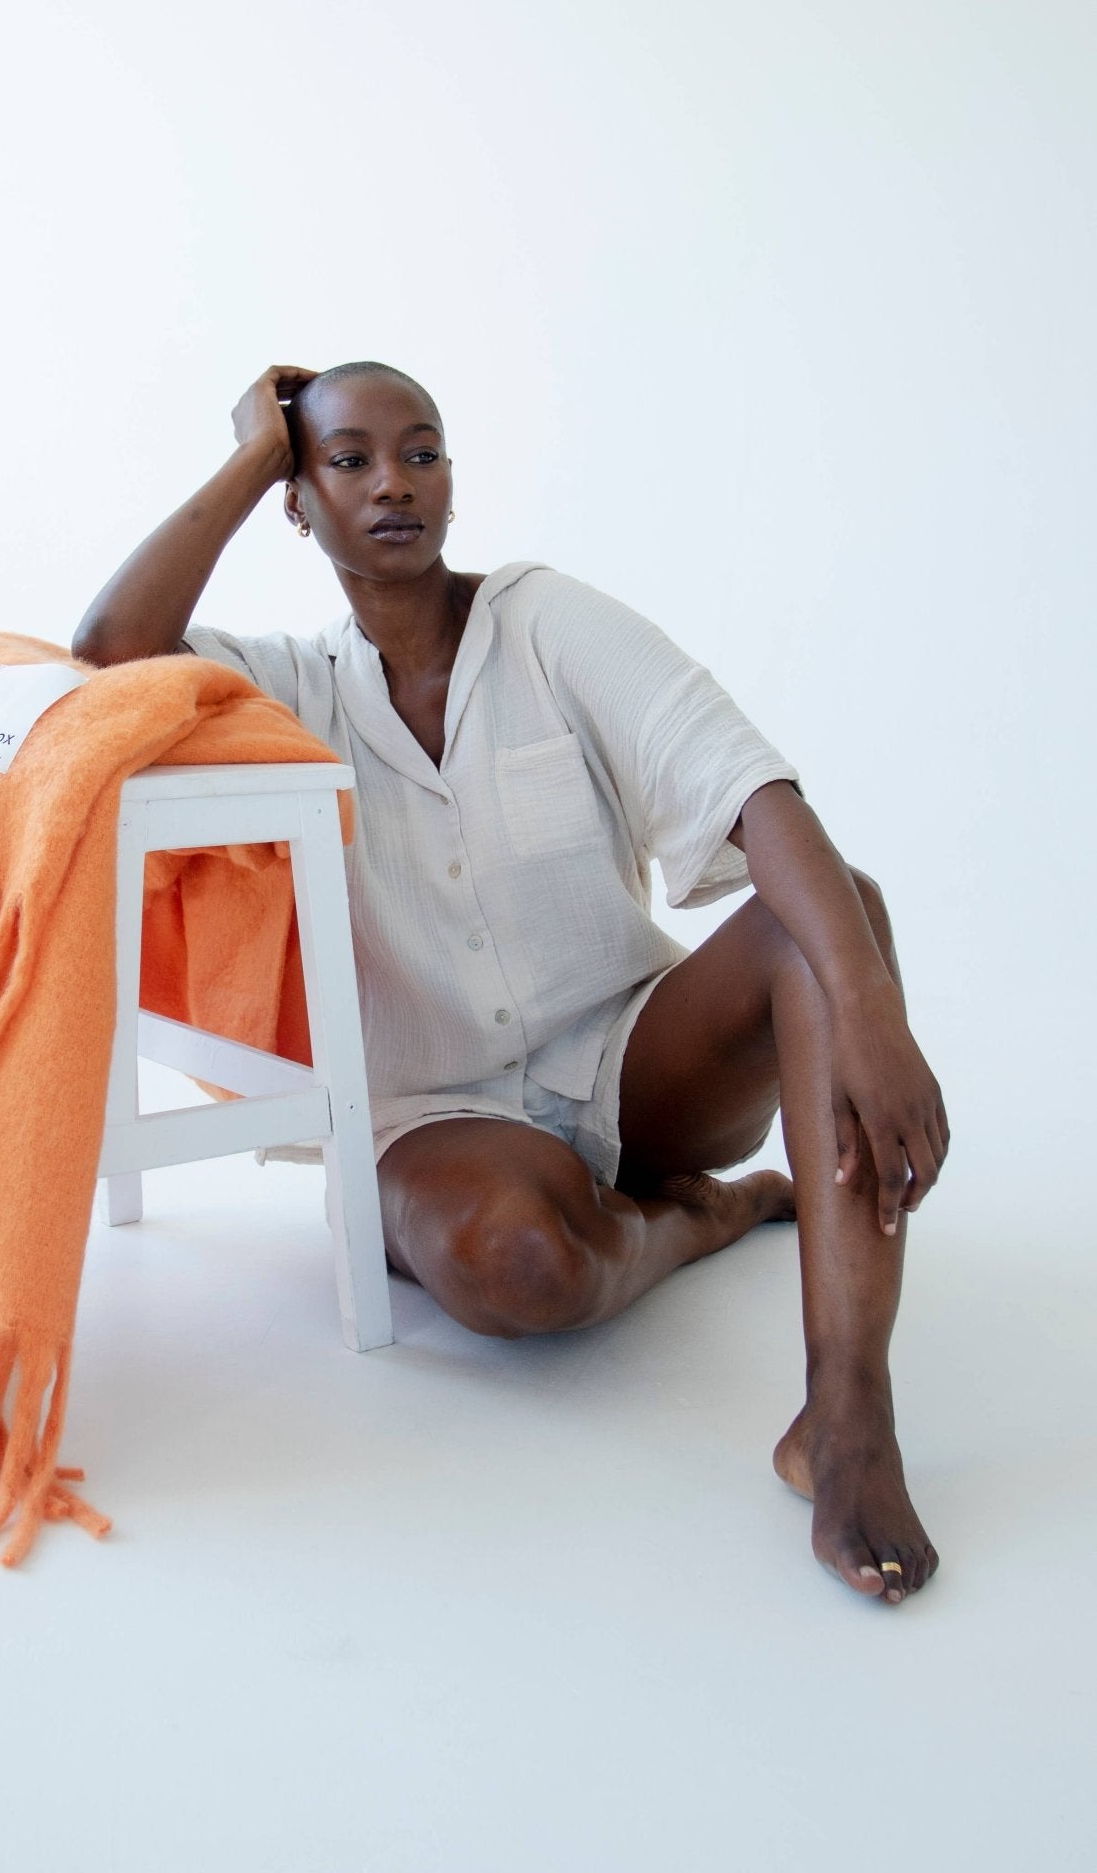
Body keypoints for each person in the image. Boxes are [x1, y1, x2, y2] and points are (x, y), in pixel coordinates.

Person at [73, 360, 949, 1605]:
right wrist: (248, 454)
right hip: (430, 1117)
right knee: (526, 1266)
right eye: (348, 459)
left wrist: (872, 1015)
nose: (393, 483)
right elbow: (110, 651)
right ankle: (698, 1216)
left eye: (422, 452)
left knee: (837, 912)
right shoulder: (284, 685)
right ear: (298, 498)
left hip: (637, 1061)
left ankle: (848, 1410)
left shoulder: (544, 621)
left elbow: (753, 792)